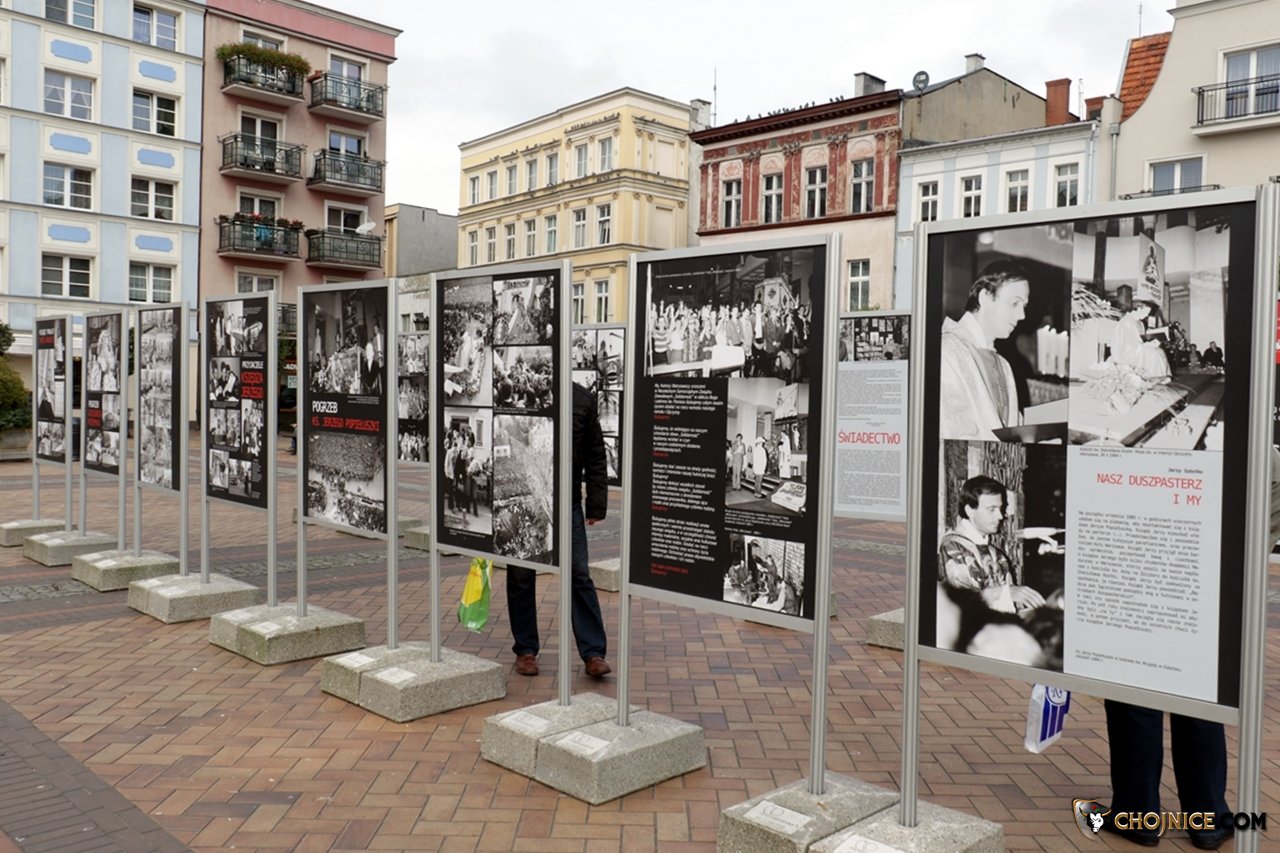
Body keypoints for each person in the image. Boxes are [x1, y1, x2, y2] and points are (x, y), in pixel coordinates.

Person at [1097, 450, 1280, 851]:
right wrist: (1243, 563)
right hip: (1210, 585)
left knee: (1133, 692)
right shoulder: (1256, 445)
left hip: (1144, 578)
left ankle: (1137, 814)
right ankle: (1207, 817)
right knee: (1197, 696)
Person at [505, 381, 611, 679]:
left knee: (579, 573)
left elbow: (595, 453)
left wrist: (596, 504)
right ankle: (525, 649)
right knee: (521, 574)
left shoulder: (582, 398)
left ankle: (593, 652)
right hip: (527, 497)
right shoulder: (522, 392)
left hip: (567, 501)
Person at [939, 260, 1029, 441]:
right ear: (985, 297)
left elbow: (1013, 432)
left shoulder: (1004, 365)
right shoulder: (947, 351)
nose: (1022, 315)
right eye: (1014, 303)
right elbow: (952, 434)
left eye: (1024, 306)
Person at [938, 475, 1047, 615]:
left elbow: (1011, 611)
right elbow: (960, 605)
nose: (1000, 516)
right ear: (970, 510)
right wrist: (1003, 593)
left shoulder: (998, 556)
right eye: (992, 509)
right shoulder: (952, 547)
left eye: (1000, 509)